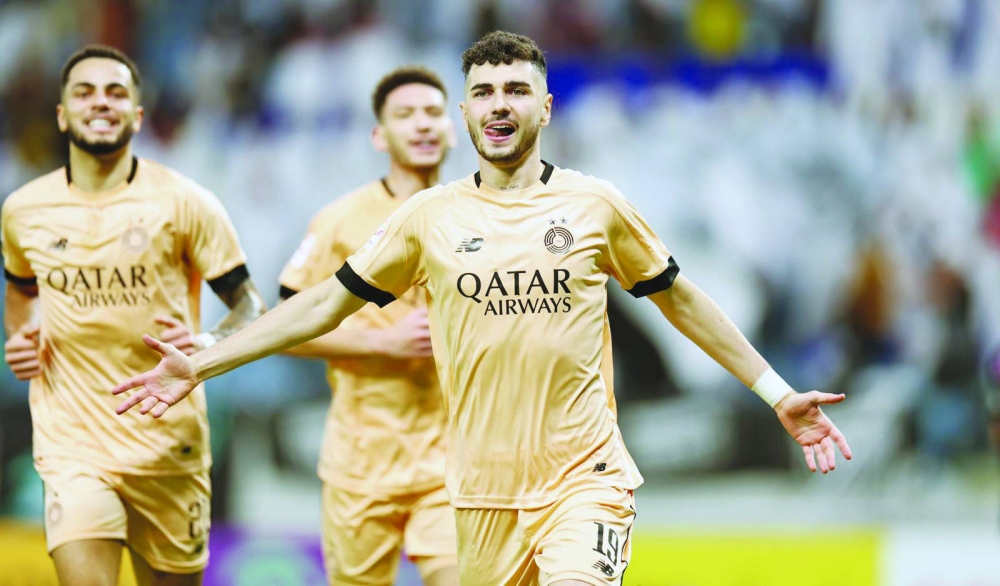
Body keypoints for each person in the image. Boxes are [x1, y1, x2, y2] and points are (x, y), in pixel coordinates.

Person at [112, 31, 852, 586]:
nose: (501, 105)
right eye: (487, 92)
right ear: (468, 111)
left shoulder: (594, 207)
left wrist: (777, 393)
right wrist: (205, 360)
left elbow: (681, 301)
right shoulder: (427, 220)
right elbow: (320, 308)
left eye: (517, 90)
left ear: (546, 107)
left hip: (584, 481)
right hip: (480, 496)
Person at [2, 45, 267, 586]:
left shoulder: (187, 202)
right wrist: (22, 333)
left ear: (137, 115)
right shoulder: (23, 210)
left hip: (167, 443)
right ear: (62, 113)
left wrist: (206, 339)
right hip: (72, 441)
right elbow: (20, 289)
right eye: (85, 91)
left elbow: (249, 305)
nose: (101, 102)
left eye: (116, 92)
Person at [277, 66, 458, 585]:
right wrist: (382, 341)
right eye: (405, 115)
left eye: (433, 113)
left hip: (451, 462)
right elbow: (285, 326)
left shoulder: (478, 217)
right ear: (380, 135)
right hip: (360, 461)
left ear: (453, 127)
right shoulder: (340, 219)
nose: (422, 125)